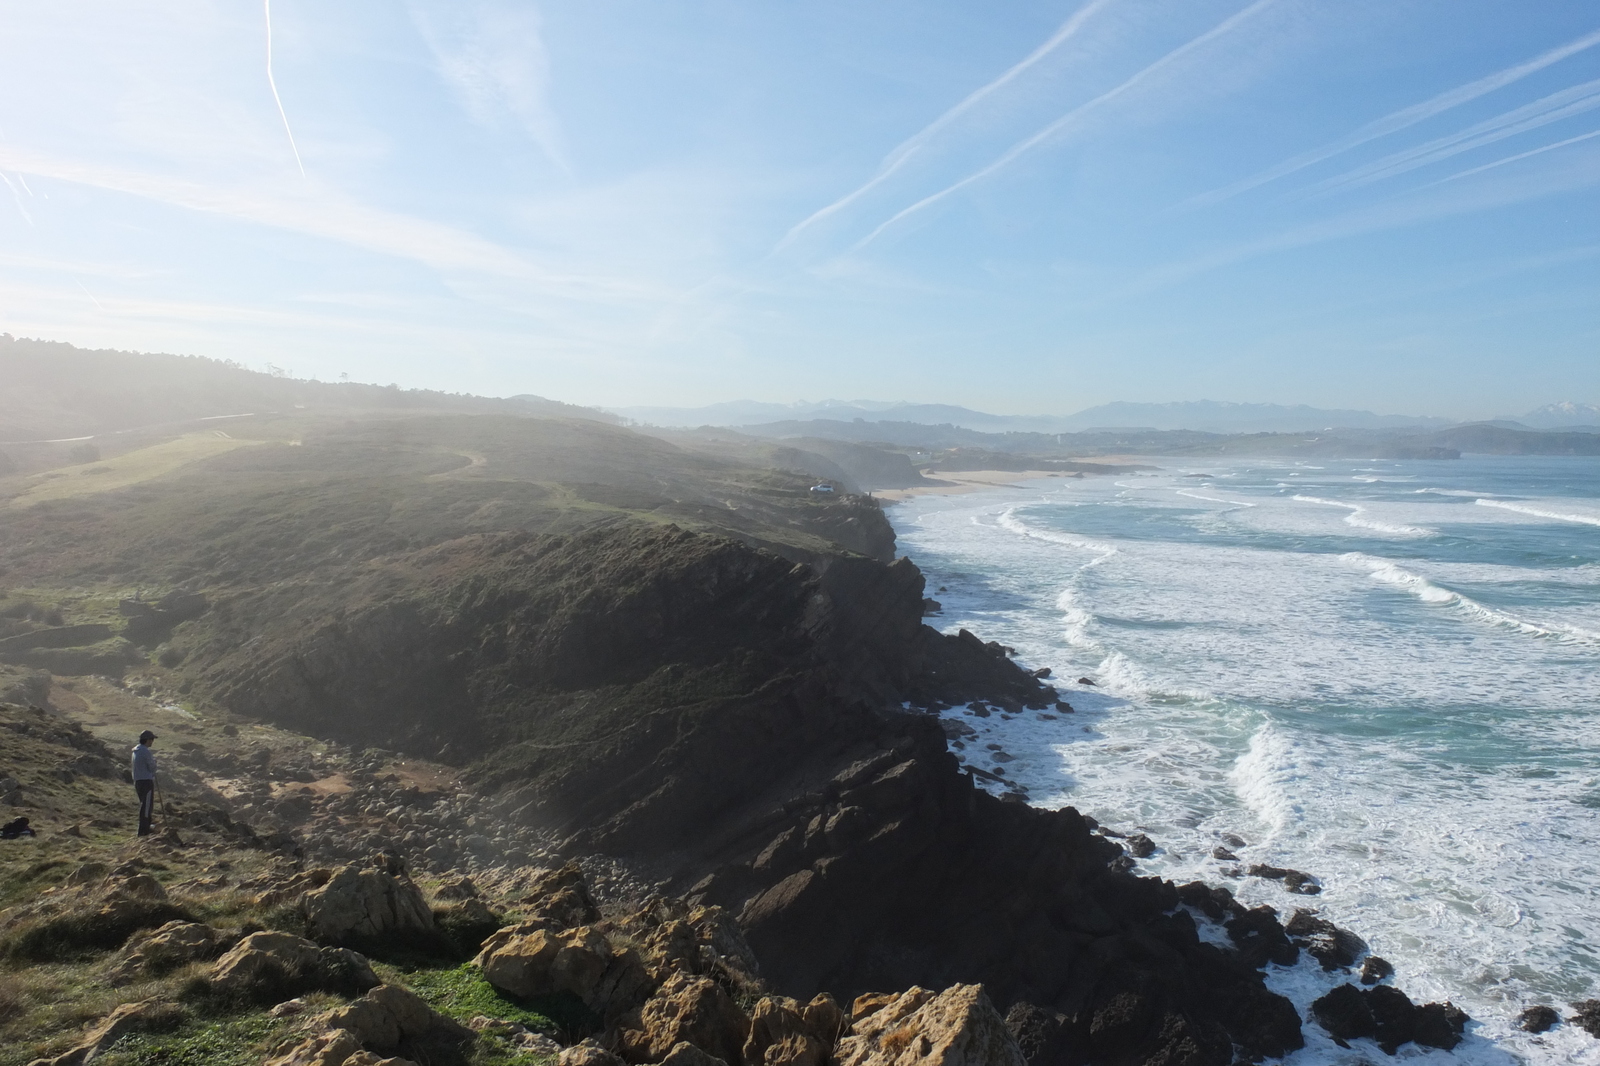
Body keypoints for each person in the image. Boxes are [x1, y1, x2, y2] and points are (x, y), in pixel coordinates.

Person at [131, 730, 158, 836]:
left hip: (138, 781)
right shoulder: (145, 751)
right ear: (147, 740)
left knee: (144, 805)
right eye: (151, 739)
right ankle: (144, 830)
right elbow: (152, 767)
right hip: (146, 781)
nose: (152, 742)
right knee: (147, 807)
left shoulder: (135, 751)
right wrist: (155, 762)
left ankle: (146, 828)